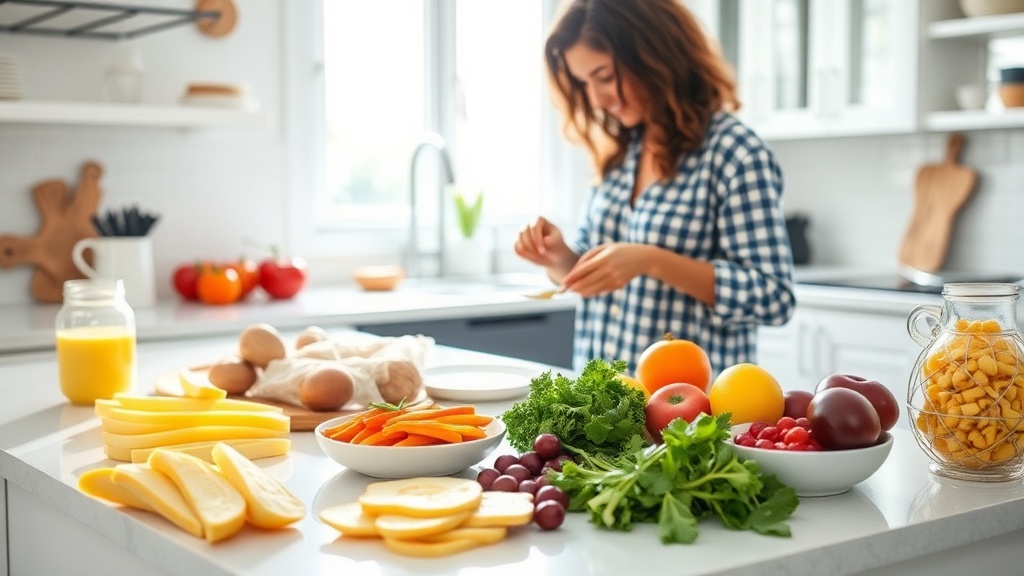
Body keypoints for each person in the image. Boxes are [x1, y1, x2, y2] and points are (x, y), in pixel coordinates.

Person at [514, 0, 795, 376]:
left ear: (655, 55)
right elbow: (598, 272)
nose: (597, 98)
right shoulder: (618, 153)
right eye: (584, 83)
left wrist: (652, 260)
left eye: (604, 75)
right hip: (604, 408)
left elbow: (773, 298)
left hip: (691, 418)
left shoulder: (734, 153)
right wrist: (560, 258)